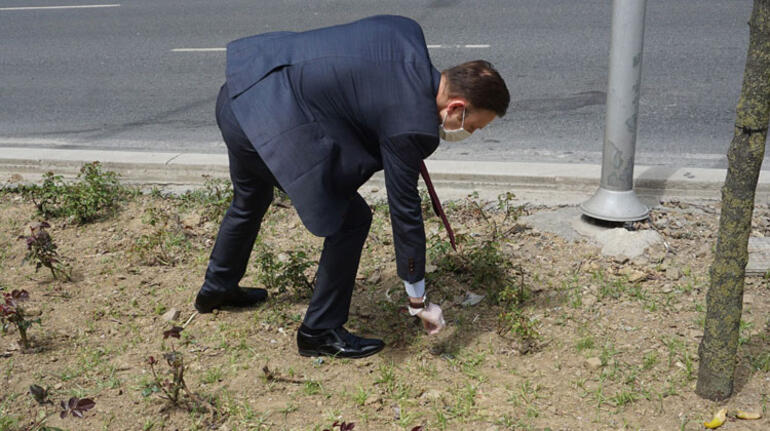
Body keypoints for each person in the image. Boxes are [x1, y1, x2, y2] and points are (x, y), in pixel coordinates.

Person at [194, 15, 509, 359]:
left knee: (251, 195)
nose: (469, 133)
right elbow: (404, 211)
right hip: (262, 123)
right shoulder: (413, 127)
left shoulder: (406, 33)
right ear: (456, 107)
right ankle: (318, 332)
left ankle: (217, 288)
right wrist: (418, 300)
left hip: (243, 90)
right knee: (351, 219)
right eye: (473, 126)